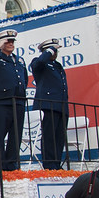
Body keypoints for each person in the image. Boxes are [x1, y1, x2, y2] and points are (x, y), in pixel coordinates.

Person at [0, 29, 28, 171]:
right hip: (2, 101)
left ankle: (11, 164)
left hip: (18, 100)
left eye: (12, 41)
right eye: (7, 41)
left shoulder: (19, 60)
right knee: (0, 134)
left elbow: (24, 78)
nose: (10, 44)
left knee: (16, 134)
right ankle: (0, 165)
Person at [30, 38, 68, 170]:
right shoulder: (39, 62)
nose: (55, 52)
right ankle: (49, 164)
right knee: (49, 136)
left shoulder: (57, 66)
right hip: (48, 104)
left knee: (59, 137)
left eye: (56, 50)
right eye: (53, 50)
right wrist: (49, 51)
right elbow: (39, 62)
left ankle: (56, 164)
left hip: (61, 106)